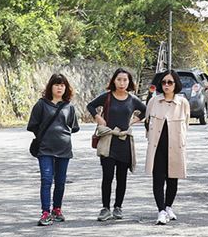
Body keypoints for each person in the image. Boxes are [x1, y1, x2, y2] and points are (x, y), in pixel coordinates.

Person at [87, 68, 147, 222]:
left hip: (124, 142)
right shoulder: (107, 97)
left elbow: (145, 111)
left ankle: (118, 207)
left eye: (125, 80)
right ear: (114, 80)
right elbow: (91, 106)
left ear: (129, 82)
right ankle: (105, 208)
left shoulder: (132, 99)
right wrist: (98, 118)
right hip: (108, 140)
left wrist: (133, 121)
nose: (122, 83)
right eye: (119, 79)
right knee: (107, 176)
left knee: (122, 177)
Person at [26, 73, 80, 226]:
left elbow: (73, 127)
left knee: (61, 181)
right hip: (45, 149)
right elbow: (33, 125)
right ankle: (45, 212)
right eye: (56, 85)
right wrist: (45, 136)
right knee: (46, 180)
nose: (59, 88)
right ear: (51, 86)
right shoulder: (41, 104)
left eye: (62, 85)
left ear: (66, 88)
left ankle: (57, 209)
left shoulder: (69, 107)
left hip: (64, 149)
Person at [144, 68, 190, 225]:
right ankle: (161, 210)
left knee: (173, 178)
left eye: (170, 82)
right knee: (158, 178)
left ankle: (169, 206)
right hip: (157, 147)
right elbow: (147, 121)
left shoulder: (183, 103)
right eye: (163, 82)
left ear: (175, 84)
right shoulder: (154, 101)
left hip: (176, 146)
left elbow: (186, 125)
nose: (166, 85)